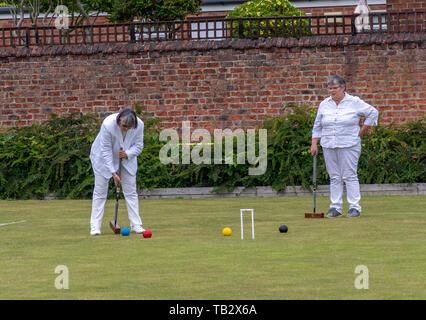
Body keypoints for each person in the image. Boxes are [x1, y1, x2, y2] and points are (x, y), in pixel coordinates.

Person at [311, 75, 378, 218]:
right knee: (334, 176)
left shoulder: (354, 102)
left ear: (343, 88)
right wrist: (314, 143)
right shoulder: (324, 104)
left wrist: (362, 131)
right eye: (330, 88)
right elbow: (318, 125)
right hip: (328, 144)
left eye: (335, 88)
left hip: (349, 144)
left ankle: (354, 207)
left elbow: (373, 112)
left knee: (349, 175)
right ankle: (335, 207)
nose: (332, 91)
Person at [89, 108, 146, 235]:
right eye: (124, 126)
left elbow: (139, 146)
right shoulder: (108, 124)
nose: (126, 129)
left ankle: (136, 225)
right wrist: (113, 173)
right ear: (119, 120)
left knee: (131, 192)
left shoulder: (139, 125)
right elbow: (105, 150)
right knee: (100, 192)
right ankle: (95, 227)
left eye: (130, 127)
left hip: (127, 159)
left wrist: (127, 153)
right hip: (103, 159)